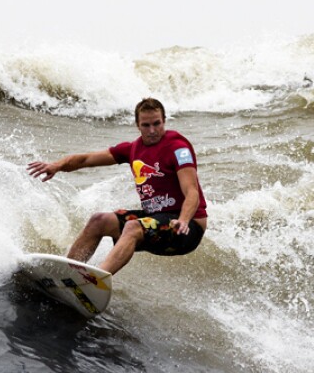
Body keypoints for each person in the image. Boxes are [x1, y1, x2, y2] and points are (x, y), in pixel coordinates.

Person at [27, 98, 208, 275]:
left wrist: (183, 220)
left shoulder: (178, 148)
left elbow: (191, 191)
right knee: (99, 220)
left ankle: (95, 281)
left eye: (157, 123)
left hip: (187, 227)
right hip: (157, 219)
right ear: (137, 125)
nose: (152, 130)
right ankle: (67, 273)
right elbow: (87, 159)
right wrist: (57, 165)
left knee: (132, 227)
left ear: (164, 121)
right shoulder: (132, 149)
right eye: (146, 125)